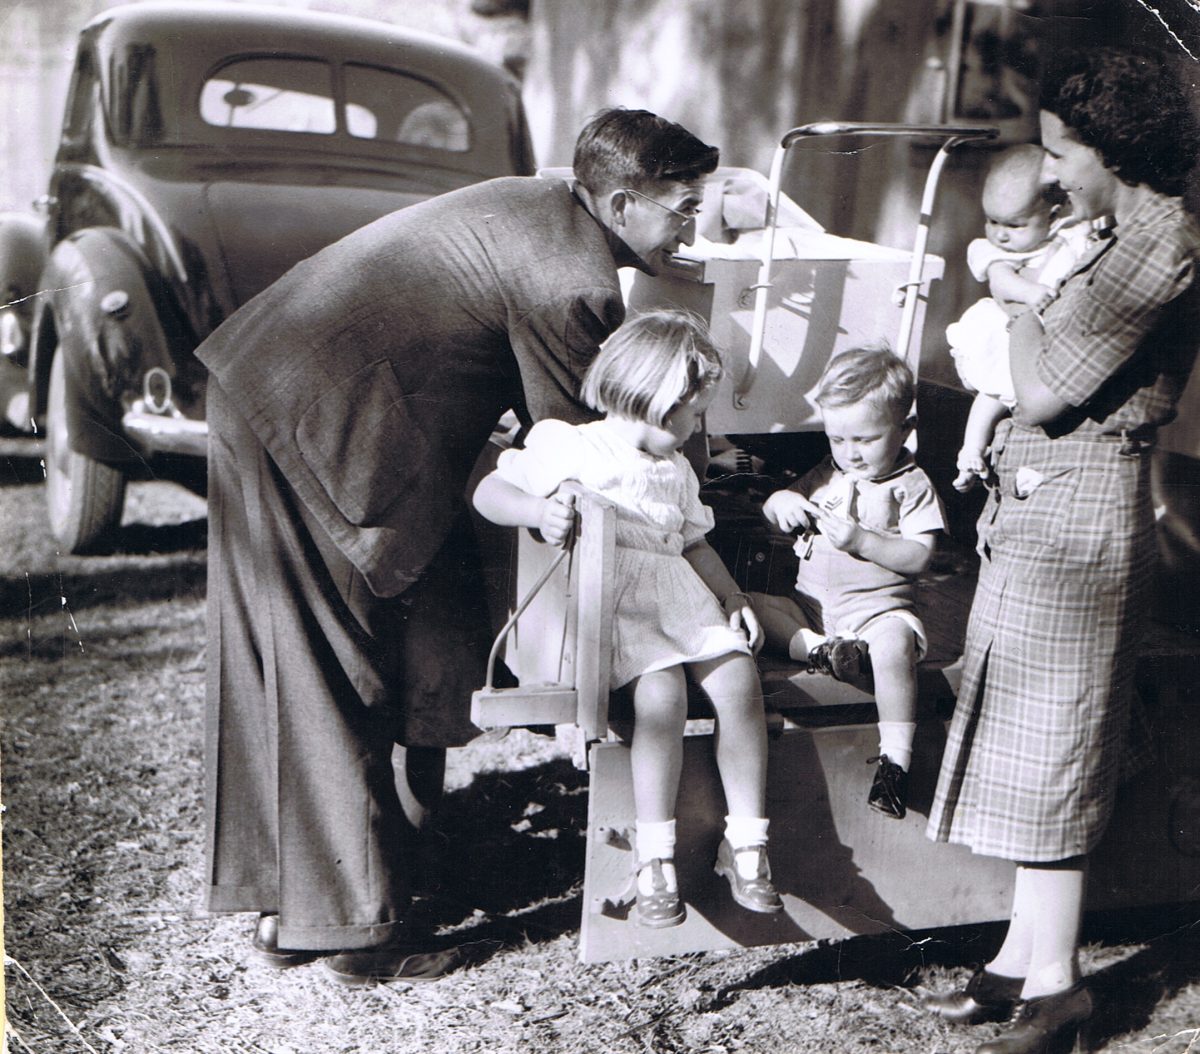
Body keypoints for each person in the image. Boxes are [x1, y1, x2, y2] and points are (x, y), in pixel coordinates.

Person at [197, 108, 720, 984]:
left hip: (265, 381)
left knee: (286, 663)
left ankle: (300, 909)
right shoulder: (571, 277)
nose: (692, 226)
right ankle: (354, 933)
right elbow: (590, 441)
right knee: (330, 663)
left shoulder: (547, 207)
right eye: (683, 208)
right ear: (623, 203)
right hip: (308, 416)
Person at [924, 47, 1200, 1054]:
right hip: (1046, 499)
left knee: (1057, 743)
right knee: (1030, 734)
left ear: (1112, 150)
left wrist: (1011, 288)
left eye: (1060, 152)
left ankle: (1058, 983)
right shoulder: (1119, 227)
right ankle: (1018, 957)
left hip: (1084, 501)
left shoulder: (1158, 246)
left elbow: (1043, 389)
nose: (1050, 173)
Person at [472, 309, 782, 927]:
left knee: (738, 680)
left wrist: (733, 598)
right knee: (661, 697)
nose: (699, 424)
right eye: (694, 412)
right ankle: (655, 853)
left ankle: (746, 840)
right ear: (658, 398)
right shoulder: (573, 446)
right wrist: (537, 510)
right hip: (614, 606)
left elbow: (694, 544)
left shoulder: (679, 471)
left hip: (681, 600)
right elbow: (487, 492)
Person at [749, 347, 945, 820]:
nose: (849, 452)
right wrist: (781, 503)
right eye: (837, 439)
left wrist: (865, 540)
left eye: (864, 439)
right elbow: (781, 503)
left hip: (878, 611)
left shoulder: (910, 484)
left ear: (905, 431)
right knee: (756, 606)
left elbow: (919, 554)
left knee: (894, 647)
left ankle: (896, 760)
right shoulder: (828, 473)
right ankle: (819, 651)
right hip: (812, 610)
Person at [946, 143, 1089, 492]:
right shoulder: (991, 250)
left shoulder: (1066, 237)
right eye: (992, 220)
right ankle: (970, 449)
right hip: (1002, 331)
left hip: (1044, 336)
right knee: (991, 395)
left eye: (1014, 224)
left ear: (1054, 216)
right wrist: (1031, 294)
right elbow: (1001, 281)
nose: (1000, 233)